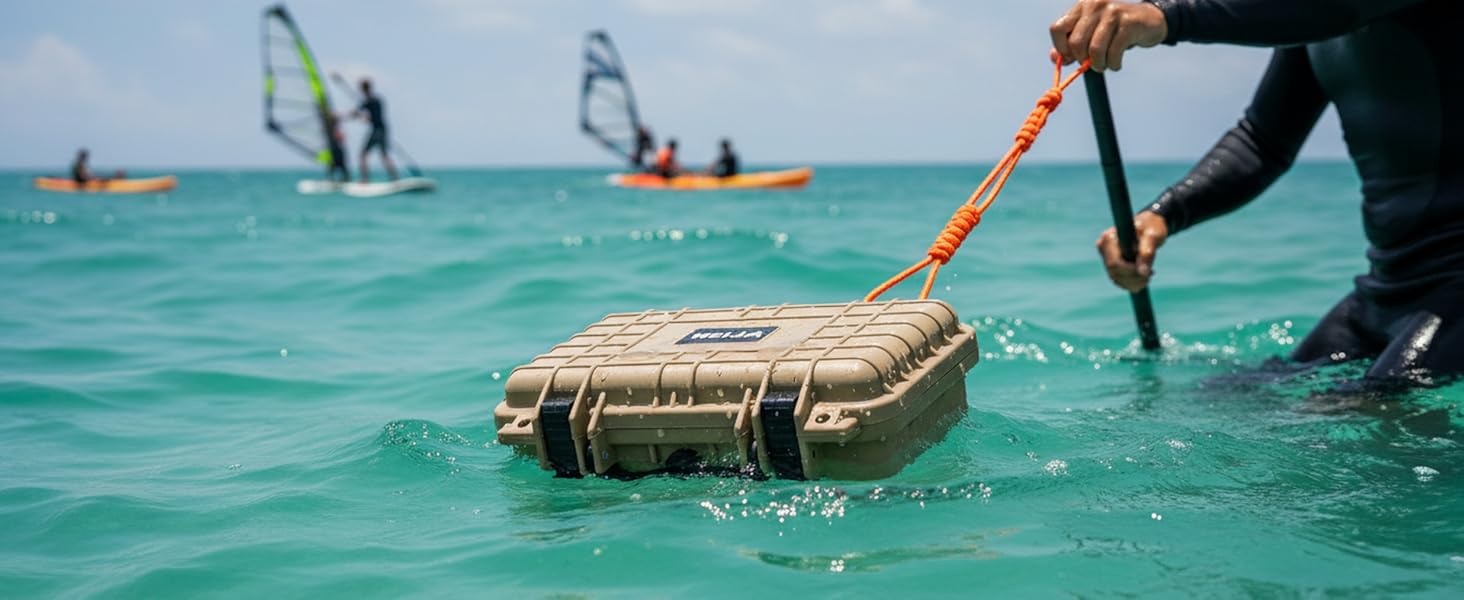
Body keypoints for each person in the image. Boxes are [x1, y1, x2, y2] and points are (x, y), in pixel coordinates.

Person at [1051, 0, 1462, 383]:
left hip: (1454, 287)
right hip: (1390, 285)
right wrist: (1162, 215)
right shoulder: (1311, 27)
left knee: (1365, 421)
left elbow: (1332, 8)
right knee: (1240, 401)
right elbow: (1263, 142)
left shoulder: (1324, 12)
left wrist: (1164, 16)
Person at [350, 78, 397, 183]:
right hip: (383, 129)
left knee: (363, 155)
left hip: (377, 130)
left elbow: (355, 114)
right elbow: (372, 117)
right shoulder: (377, 100)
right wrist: (365, 117)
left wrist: (359, 115)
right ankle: (394, 178)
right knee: (384, 155)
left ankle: (365, 179)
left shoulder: (368, 101)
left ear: (362, 89)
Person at [323, 112, 350, 183]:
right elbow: (339, 137)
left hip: (337, 149)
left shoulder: (335, 127)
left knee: (341, 166)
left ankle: (345, 179)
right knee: (333, 166)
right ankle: (331, 180)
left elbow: (341, 138)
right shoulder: (330, 127)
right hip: (334, 150)